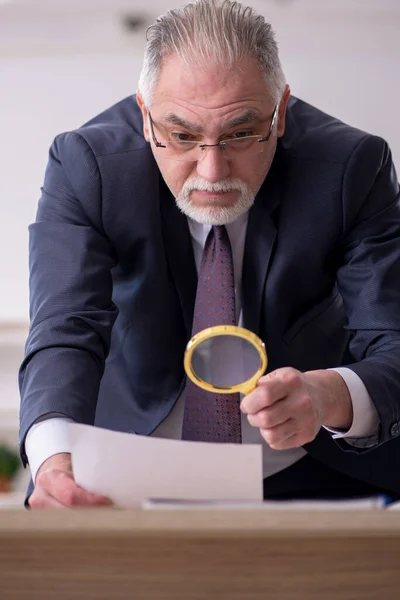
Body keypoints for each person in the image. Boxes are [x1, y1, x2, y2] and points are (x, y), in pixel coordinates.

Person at [19, 0, 400, 508]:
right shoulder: (86, 166)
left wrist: (329, 395)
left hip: (312, 465)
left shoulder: (351, 167)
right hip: (128, 464)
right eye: (182, 136)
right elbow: (65, 327)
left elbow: (391, 339)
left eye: (242, 133)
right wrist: (53, 458)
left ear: (281, 112)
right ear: (144, 114)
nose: (212, 172)